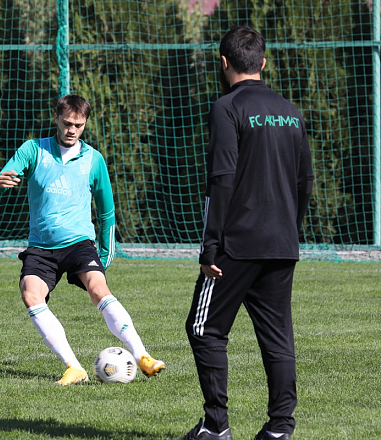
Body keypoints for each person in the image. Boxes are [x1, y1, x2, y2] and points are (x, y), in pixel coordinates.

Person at [174, 27, 314, 440]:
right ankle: (280, 429)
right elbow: (305, 183)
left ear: (223, 63)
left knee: (204, 329)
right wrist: (290, 229)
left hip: (236, 244)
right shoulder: (291, 111)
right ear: (263, 63)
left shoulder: (227, 107)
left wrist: (210, 246)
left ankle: (216, 427)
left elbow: (222, 180)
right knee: (278, 337)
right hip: (282, 243)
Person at [0, 94, 165, 385]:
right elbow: (4, 175)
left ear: (85, 124)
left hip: (79, 243)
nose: (72, 130)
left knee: (99, 289)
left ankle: (142, 355)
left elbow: (107, 211)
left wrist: (106, 253)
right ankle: (74, 367)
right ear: (56, 118)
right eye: (67, 123)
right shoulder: (33, 149)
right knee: (30, 293)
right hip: (41, 246)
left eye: (79, 125)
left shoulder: (94, 160)